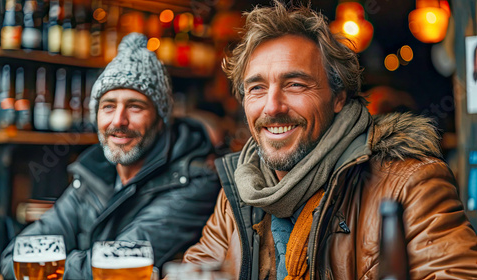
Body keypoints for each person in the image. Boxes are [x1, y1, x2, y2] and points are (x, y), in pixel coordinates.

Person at [183, 3, 477, 280]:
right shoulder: (240, 190)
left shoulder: (409, 183)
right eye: (257, 88)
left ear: (338, 98)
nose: (272, 107)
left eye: (295, 84)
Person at [0, 33, 221, 279]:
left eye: (135, 106)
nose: (118, 120)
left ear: (161, 119)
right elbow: (14, 258)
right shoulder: (91, 173)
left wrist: (52, 266)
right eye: (108, 106)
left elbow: (118, 268)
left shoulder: (196, 178)